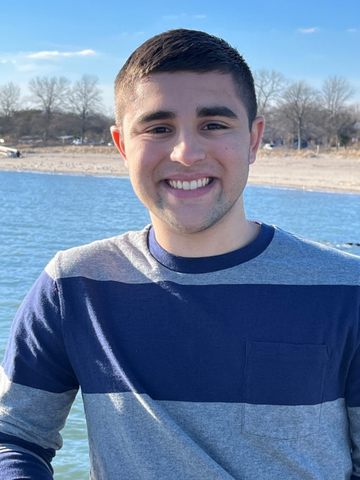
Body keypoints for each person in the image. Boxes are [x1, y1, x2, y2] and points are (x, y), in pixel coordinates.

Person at [0, 29, 360, 480]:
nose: (187, 153)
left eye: (213, 125)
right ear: (122, 145)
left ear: (253, 139)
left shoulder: (347, 290)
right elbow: (14, 435)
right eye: (158, 128)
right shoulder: (73, 285)